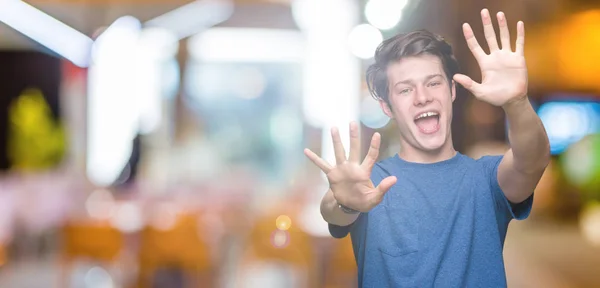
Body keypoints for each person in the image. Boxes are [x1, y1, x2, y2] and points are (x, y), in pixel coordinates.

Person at [304, 8, 550, 288]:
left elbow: (533, 160)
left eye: (433, 83)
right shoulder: (371, 184)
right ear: (387, 106)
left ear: (452, 91)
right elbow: (332, 210)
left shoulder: (486, 180)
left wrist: (516, 102)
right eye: (405, 89)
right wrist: (345, 203)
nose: (422, 97)